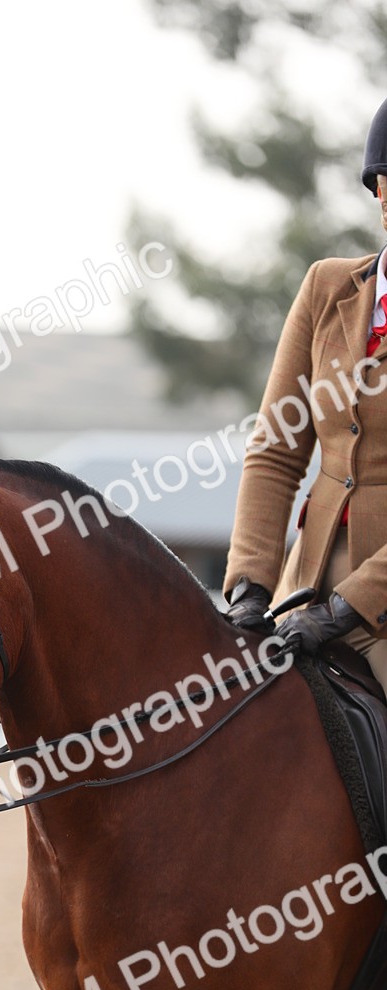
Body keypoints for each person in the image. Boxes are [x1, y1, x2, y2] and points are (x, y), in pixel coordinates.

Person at [224, 96, 387, 697]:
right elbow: (274, 450)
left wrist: (348, 610)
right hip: (302, 585)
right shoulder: (327, 287)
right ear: (378, 189)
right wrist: (250, 588)